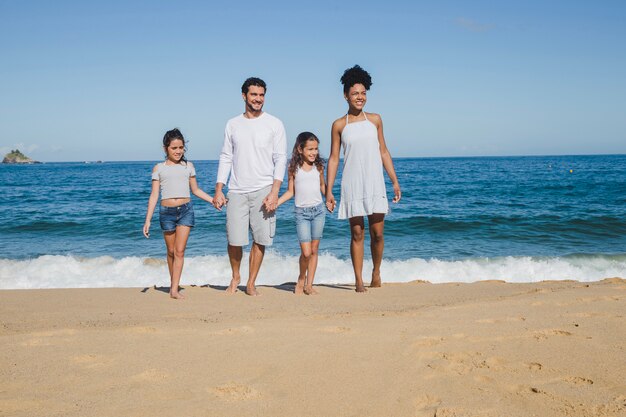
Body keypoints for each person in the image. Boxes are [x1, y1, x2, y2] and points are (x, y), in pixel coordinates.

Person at [326, 65, 401, 293]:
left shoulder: (375, 120)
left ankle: (376, 271)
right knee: (357, 233)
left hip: (374, 182)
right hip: (352, 184)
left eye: (363, 93)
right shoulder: (339, 125)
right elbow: (333, 158)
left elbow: (384, 151)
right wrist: (329, 190)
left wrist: (394, 181)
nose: (360, 97)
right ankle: (358, 280)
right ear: (346, 95)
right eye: (355, 93)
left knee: (377, 234)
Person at [213, 77, 287, 296]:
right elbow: (226, 156)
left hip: (265, 188)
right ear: (244, 96)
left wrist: (275, 192)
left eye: (261, 95)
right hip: (236, 190)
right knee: (234, 239)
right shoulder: (232, 124)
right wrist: (219, 188)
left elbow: (280, 159)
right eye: (254, 94)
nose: (258, 99)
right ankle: (236, 276)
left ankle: (251, 282)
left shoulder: (275, 123)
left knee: (260, 239)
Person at [143, 128, 214, 299]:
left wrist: (213, 200)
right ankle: (173, 282)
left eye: (181, 147)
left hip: (185, 211)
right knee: (171, 252)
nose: (178, 151)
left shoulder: (188, 166)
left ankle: (174, 289)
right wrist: (147, 221)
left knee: (180, 251)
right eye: (174, 148)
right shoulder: (159, 168)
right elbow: (154, 195)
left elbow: (195, 190)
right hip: (166, 212)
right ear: (165, 148)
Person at [277, 132, 326, 295]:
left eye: (316, 149)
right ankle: (300, 278)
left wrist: (330, 198)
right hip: (302, 214)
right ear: (300, 149)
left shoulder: (319, 167)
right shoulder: (293, 168)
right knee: (306, 252)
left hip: (319, 211)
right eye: (310, 149)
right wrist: (275, 202)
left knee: (314, 250)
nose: (314, 153)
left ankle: (309, 285)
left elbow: (322, 187)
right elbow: (290, 192)